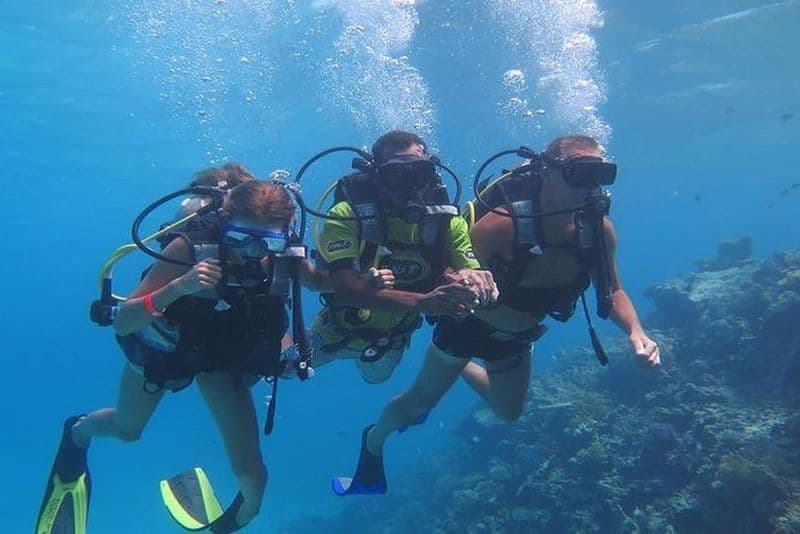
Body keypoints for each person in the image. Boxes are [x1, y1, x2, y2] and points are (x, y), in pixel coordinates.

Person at [332, 134, 660, 496]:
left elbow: (612, 290)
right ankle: (374, 441)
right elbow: (449, 265)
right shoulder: (503, 225)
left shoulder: (597, 231)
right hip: (466, 327)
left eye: (602, 175)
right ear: (547, 172)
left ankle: (458, 372)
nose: (591, 186)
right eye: (580, 174)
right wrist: (448, 288)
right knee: (419, 402)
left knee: (509, 412)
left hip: (519, 336)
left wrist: (635, 331)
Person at [35, 173, 325, 534]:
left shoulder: (288, 257)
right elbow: (124, 322)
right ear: (224, 227)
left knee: (253, 478)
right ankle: (79, 431)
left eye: (266, 243)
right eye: (238, 238)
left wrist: (369, 283)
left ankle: (230, 526)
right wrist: (179, 286)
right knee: (128, 430)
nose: (251, 253)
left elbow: (314, 288)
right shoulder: (189, 248)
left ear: (286, 233)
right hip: (167, 348)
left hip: (221, 359)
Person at [289, 130, 497, 384]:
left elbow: (467, 270)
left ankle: (456, 365)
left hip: (391, 342)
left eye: (419, 173)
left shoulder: (447, 221)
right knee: (282, 368)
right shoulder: (348, 213)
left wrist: (473, 282)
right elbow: (346, 290)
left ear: (431, 174)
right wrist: (424, 303)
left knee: (375, 378)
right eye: (396, 175)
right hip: (334, 333)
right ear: (377, 176)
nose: (409, 186)